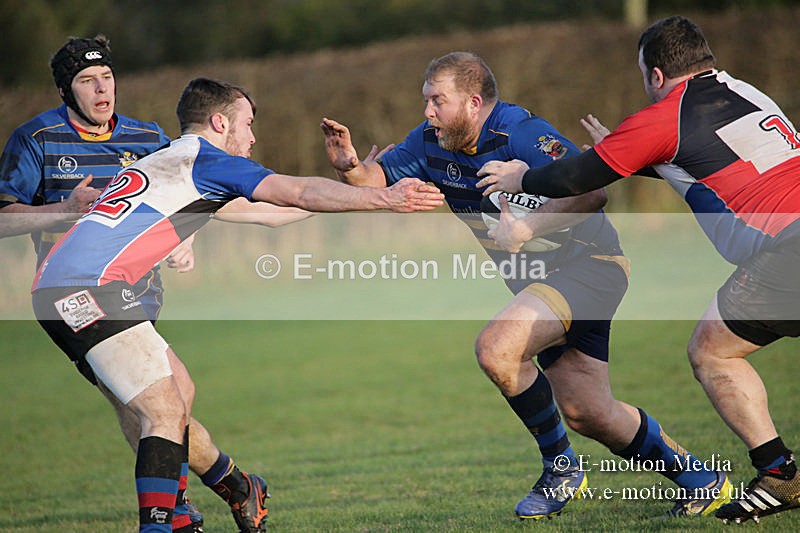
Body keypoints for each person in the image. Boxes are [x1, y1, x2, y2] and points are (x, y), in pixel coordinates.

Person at [321, 50, 730, 520]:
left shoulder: (521, 133)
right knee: (588, 412)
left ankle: (561, 470)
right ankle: (702, 479)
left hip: (591, 266)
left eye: (438, 101)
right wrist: (349, 165)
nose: (428, 112)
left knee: (497, 348)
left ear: (474, 103)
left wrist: (528, 227)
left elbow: (594, 191)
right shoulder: (427, 141)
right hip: (539, 285)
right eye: (426, 100)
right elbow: (376, 180)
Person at [30, 76, 443, 532]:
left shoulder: (167, 163)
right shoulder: (207, 161)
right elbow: (297, 191)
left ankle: (237, 488)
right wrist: (381, 195)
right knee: (162, 411)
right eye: (247, 124)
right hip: (88, 290)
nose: (252, 137)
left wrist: (351, 184)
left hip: (57, 287)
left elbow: (275, 211)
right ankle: (164, 525)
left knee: (177, 395)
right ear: (220, 121)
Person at [476, 16, 800, 524]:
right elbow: (703, 156)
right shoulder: (746, 92)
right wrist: (627, 153)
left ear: (654, 74)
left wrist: (524, 173)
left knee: (712, 353)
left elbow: (582, 175)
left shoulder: (664, 115)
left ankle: (780, 475)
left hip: (789, 247)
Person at [0, 36, 302, 533]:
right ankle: (194, 506)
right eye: (86, 81)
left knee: (166, 403)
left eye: (107, 78)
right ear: (65, 90)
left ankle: (223, 492)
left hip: (140, 293)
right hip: (80, 297)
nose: (102, 90)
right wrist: (62, 211)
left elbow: (182, 200)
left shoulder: (147, 137)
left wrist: (183, 240)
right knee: (155, 407)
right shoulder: (37, 139)